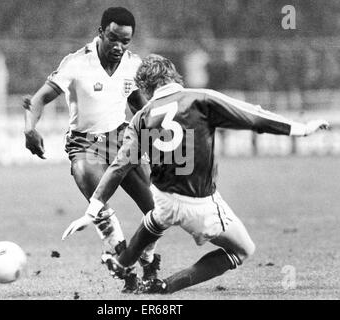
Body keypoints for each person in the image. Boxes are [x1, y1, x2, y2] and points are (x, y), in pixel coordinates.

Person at [74, 54, 330, 294]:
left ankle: (124, 261)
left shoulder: (141, 117)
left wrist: (93, 207)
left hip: (162, 197)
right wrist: (301, 129)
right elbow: (254, 118)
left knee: (157, 218)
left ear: (145, 87)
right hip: (199, 204)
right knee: (243, 250)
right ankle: (164, 287)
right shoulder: (200, 99)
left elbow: (121, 164)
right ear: (173, 75)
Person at [23, 7, 160, 291]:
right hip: (85, 142)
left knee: (156, 209)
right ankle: (121, 259)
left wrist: (160, 136)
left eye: (126, 41)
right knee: (90, 184)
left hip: (124, 138)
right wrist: (29, 128)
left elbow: (139, 105)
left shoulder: (132, 65)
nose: (119, 47)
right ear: (101, 32)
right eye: (113, 38)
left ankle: (147, 261)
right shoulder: (76, 63)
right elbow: (39, 99)